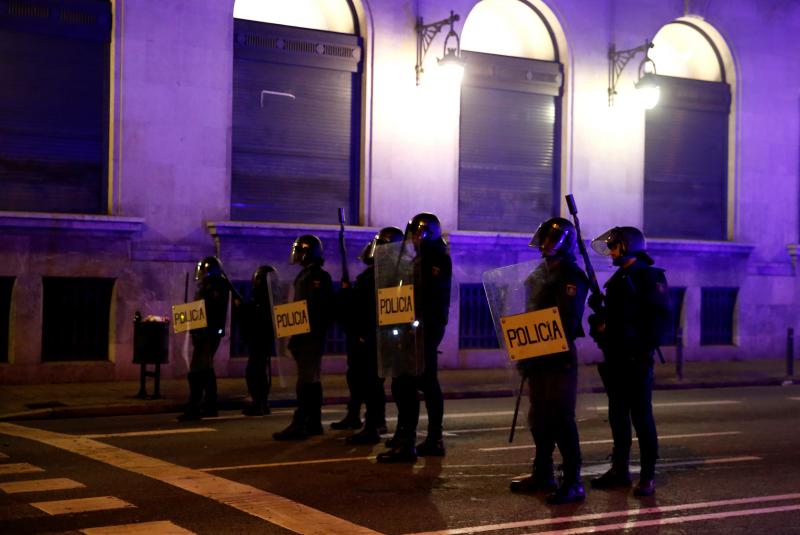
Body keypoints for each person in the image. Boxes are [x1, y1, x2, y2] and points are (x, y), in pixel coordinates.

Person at [508, 218, 589, 505]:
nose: (544, 245)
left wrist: (543, 348)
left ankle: (573, 481)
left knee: (561, 419)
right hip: (538, 356)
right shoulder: (540, 273)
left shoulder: (571, 275)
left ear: (563, 242)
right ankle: (542, 473)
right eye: (542, 239)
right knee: (539, 418)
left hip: (558, 357)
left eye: (549, 240)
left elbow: (566, 320)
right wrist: (526, 348)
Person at [588, 226, 671, 497]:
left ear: (628, 247)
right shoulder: (620, 278)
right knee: (618, 417)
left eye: (615, 246)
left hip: (635, 360)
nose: (611, 251)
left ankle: (647, 476)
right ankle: (620, 470)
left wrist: (638, 347)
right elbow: (614, 318)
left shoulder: (649, 277)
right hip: (615, 358)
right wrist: (600, 317)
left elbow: (658, 321)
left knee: (642, 418)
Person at [377, 212, 452, 463]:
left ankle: (418, 439)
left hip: (423, 331)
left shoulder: (436, 259)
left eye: (418, 233)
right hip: (412, 329)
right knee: (411, 382)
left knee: (413, 383)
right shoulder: (417, 259)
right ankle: (416, 437)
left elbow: (428, 296)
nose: (414, 238)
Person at [337, 227, 405, 443]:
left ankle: (374, 424)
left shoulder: (393, 275)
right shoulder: (373, 274)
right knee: (361, 379)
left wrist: (366, 332)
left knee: (373, 383)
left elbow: (374, 307)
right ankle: (363, 418)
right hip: (365, 335)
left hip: (376, 336)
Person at [273, 235, 334, 440]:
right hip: (307, 334)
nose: (297, 255)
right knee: (311, 379)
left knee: (306, 381)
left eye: (300, 251)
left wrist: (300, 334)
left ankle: (301, 423)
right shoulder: (307, 275)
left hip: (310, 336)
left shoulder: (316, 277)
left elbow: (313, 309)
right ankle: (313, 422)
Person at [178, 256, 231, 421]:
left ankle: (195, 406)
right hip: (203, 332)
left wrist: (201, 329)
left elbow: (210, 310)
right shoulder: (209, 286)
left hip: (208, 333)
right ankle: (209, 405)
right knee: (205, 369)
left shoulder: (216, 286)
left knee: (197, 369)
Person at [239, 265, 277, 416]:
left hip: (259, 340)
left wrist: (244, 309)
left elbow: (256, 319)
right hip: (263, 340)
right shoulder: (268, 299)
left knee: (255, 372)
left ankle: (258, 403)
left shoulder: (262, 301)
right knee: (259, 371)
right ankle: (262, 403)